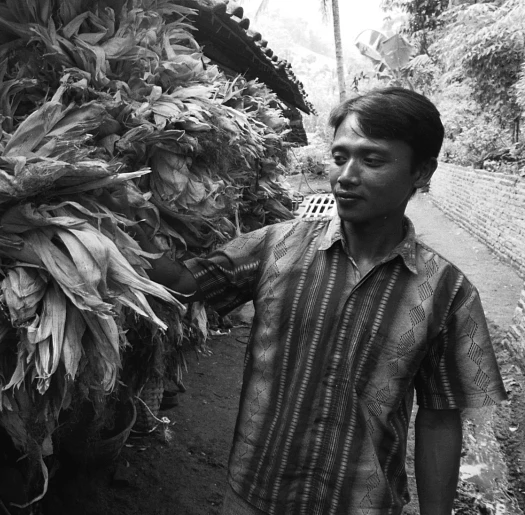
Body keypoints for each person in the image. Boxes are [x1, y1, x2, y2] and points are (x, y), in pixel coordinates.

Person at [133, 87, 507, 515]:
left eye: (372, 159)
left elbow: (439, 418)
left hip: (361, 502)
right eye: (340, 156)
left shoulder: (448, 293)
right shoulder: (276, 246)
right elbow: (186, 281)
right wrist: (130, 230)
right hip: (254, 494)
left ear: (421, 171)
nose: (346, 175)